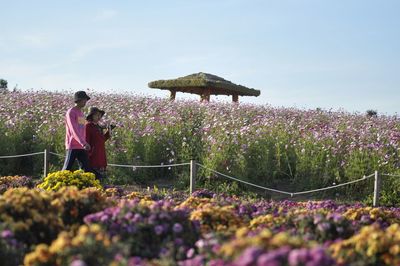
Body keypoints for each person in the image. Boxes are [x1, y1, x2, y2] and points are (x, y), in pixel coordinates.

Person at [62, 91, 92, 172]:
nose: (85, 102)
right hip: (72, 145)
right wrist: (83, 143)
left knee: (87, 170)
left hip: (81, 146)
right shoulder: (71, 112)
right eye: (84, 100)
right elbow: (73, 130)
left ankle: (86, 184)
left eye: (86, 100)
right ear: (78, 100)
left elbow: (82, 129)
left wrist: (84, 143)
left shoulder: (81, 113)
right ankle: (55, 183)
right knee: (66, 169)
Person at [85, 107, 114, 179]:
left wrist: (109, 131)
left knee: (100, 178)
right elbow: (86, 141)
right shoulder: (88, 126)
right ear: (91, 116)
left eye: (99, 115)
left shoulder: (98, 126)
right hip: (93, 156)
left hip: (100, 154)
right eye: (96, 115)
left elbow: (102, 139)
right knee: (93, 178)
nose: (99, 117)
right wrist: (88, 154)